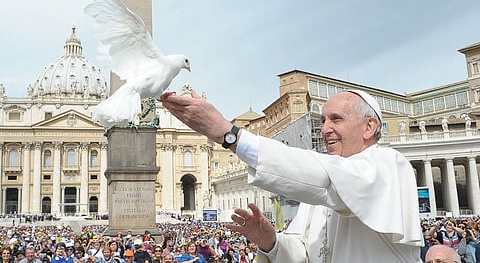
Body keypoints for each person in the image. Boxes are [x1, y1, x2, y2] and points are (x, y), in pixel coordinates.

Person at [162, 89, 423, 262]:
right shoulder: (320, 191)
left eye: (336, 119)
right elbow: (302, 254)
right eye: (323, 122)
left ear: (369, 126)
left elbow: (326, 177)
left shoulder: (389, 164)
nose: (325, 130)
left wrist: (229, 135)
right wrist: (271, 242)